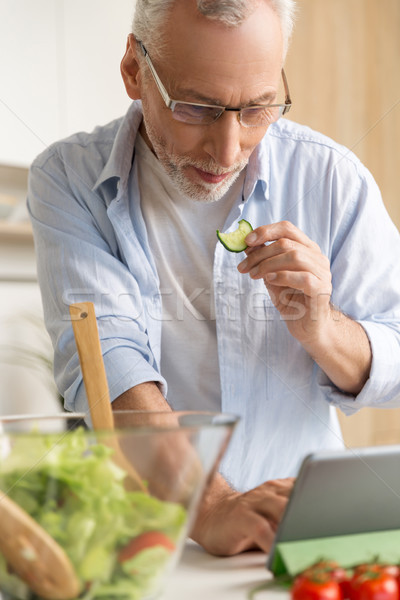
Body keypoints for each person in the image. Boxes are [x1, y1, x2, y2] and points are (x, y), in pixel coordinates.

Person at [27, 0, 400, 556]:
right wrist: (213, 505)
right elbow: (109, 366)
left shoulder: (334, 178)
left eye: (258, 108)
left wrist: (324, 328)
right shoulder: (69, 179)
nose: (228, 150)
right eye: (196, 108)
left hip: (301, 537)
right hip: (144, 543)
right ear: (134, 70)